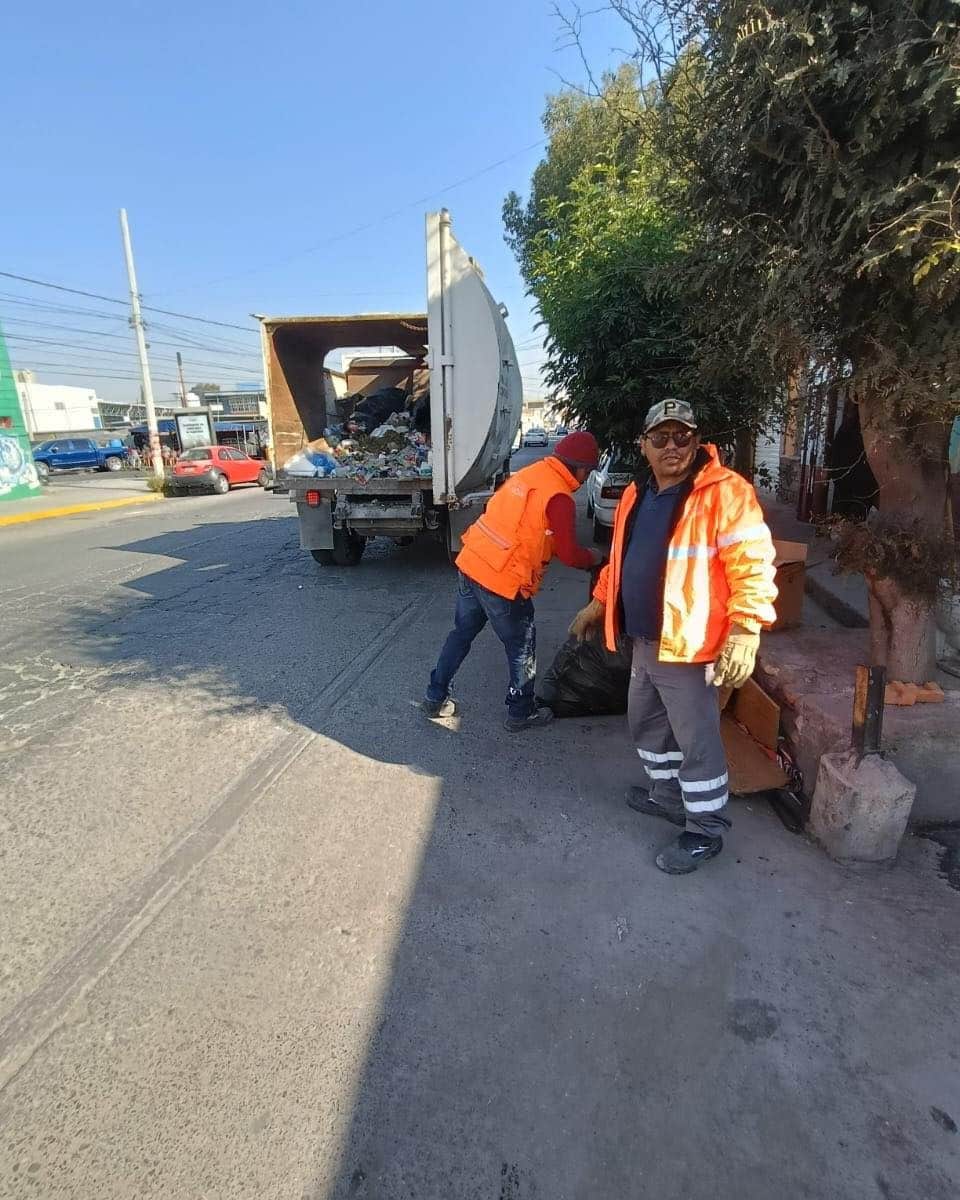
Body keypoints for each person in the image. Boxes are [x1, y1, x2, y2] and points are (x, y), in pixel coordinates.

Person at [570, 399, 777, 875]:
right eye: (660, 437)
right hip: (645, 640)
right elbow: (622, 559)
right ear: (643, 445)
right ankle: (666, 797)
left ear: (696, 440)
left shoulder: (724, 492)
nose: (672, 446)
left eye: (682, 436)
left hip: (689, 643)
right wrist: (598, 603)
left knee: (696, 738)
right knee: (646, 722)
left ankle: (705, 830)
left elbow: (752, 562)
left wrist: (746, 627)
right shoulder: (636, 494)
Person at [424, 431, 604, 731]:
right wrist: (595, 558)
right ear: (581, 468)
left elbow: (522, 524)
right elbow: (570, 554)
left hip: (473, 564)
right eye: (588, 471)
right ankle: (521, 711)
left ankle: (434, 696)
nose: (587, 478)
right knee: (521, 646)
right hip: (503, 581)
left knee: (461, 634)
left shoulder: (531, 474)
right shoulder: (559, 497)